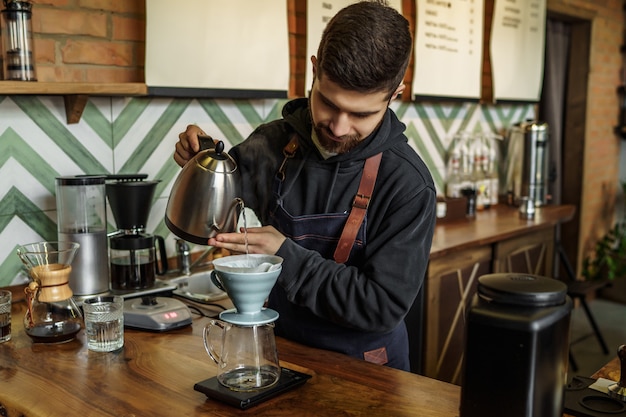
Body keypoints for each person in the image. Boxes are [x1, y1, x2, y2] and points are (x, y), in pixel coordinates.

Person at [174, 0, 436, 371]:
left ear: (395, 95)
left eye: (361, 114)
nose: (339, 127)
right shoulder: (274, 144)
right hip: (280, 355)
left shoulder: (407, 184)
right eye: (328, 103)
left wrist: (287, 255)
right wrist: (202, 162)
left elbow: (382, 307)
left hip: (366, 371)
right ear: (314, 70)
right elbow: (216, 207)